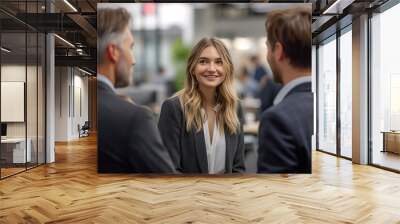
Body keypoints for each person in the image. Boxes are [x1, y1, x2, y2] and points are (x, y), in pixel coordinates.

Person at [97, 8, 175, 173]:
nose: (133, 60)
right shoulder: (135, 118)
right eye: (130, 47)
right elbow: (169, 185)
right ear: (113, 52)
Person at [158, 38, 246, 174]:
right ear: (192, 68)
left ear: (227, 68)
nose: (212, 69)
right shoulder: (174, 108)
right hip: (187, 194)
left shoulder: (234, 107)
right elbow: (169, 171)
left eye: (219, 62)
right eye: (203, 61)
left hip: (227, 193)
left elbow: (238, 168)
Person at [257, 8, 313, 173]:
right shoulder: (334, 107)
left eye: (268, 48)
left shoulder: (277, 120)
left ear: (279, 51)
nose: (267, 56)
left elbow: (276, 196)